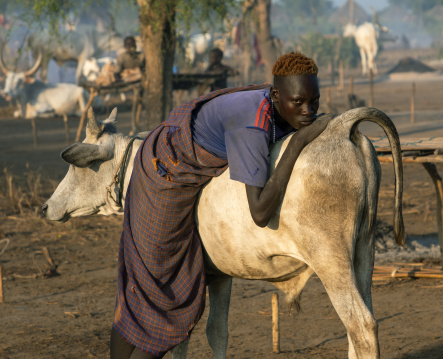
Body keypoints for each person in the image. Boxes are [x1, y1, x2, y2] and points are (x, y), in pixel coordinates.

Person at [110, 52, 333, 359]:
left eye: (314, 101)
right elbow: (259, 212)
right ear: (276, 95)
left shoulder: (276, 107)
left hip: (179, 157)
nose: (308, 111)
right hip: (164, 171)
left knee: (151, 289)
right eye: (298, 102)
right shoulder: (252, 126)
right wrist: (297, 143)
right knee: (159, 291)